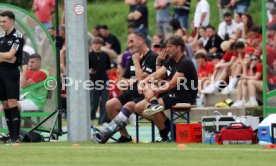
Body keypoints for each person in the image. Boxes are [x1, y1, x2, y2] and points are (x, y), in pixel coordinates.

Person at [92, 32, 157, 144]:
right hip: (131, 93)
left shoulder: (152, 57)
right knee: (110, 104)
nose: (129, 45)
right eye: (128, 42)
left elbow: (142, 79)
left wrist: (136, 61)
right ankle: (125, 136)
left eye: (131, 41)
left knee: (130, 105)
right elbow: (124, 79)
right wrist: (123, 83)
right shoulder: (132, 57)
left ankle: (106, 133)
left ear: (141, 40)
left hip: (144, 95)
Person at [135, 35, 198, 142]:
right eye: (166, 46)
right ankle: (169, 127)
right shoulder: (171, 60)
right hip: (172, 92)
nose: (166, 49)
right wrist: (143, 82)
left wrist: (156, 90)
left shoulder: (185, 62)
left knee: (152, 109)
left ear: (178, 48)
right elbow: (157, 74)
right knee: (138, 107)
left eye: (169, 46)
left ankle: (164, 136)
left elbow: (172, 84)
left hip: (184, 95)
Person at [0, 11, 24, 143]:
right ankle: (11, 136)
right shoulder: (1, 38)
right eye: (1, 21)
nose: (2, 24)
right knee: (4, 104)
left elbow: (11, 56)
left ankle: (16, 138)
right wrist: (6, 56)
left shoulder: (17, 36)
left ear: (12, 21)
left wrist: (6, 57)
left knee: (12, 103)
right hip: (0, 73)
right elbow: (8, 57)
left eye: (4, 21)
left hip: (11, 73)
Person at [89, 37, 111, 125]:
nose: (96, 45)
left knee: (104, 101)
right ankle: (91, 117)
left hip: (104, 80)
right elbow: (86, 68)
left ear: (101, 45)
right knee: (94, 101)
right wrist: (89, 71)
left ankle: (103, 120)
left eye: (98, 43)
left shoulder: (105, 55)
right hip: (93, 81)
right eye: (94, 43)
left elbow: (108, 69)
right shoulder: (89, 55)